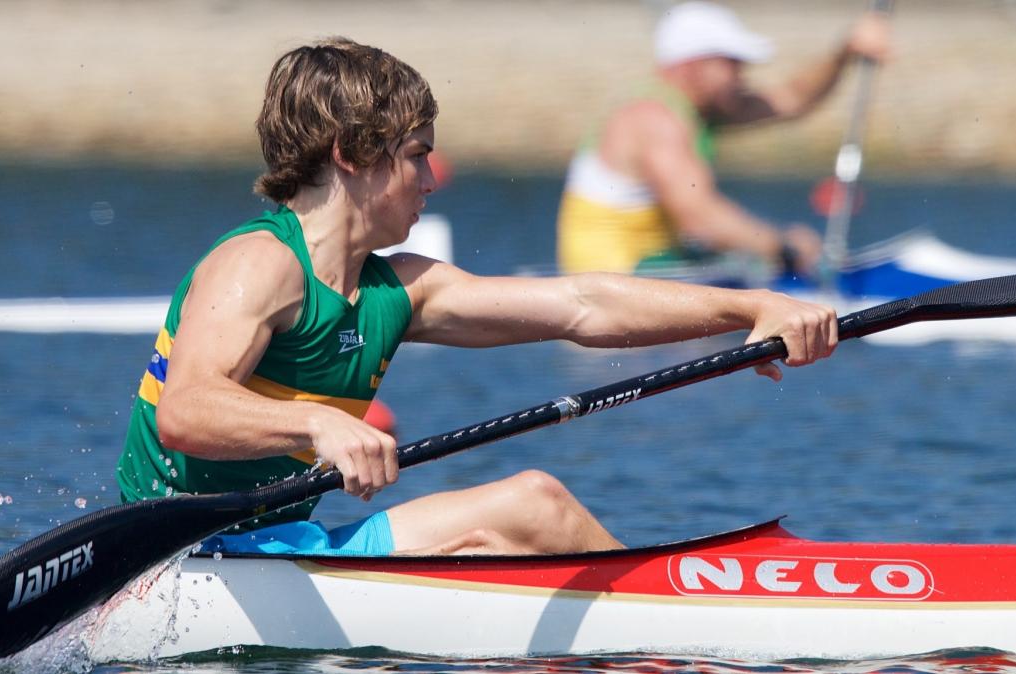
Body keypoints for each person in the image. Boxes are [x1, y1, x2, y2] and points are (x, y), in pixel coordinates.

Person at [116, 37, 838, 557]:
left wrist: (752, 309)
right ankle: (695, 641)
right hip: (177, 559)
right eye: (415, 154)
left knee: (536, 503)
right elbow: (187, 409)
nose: (430, 179)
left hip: (288, 546)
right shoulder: (260, 263)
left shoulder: (399, 287)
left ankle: (674, 632)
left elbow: (584, 307)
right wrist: (318, 428)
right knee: (533, 503)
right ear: (349, 155)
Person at [556, 1, 891, 276]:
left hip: (653, 270)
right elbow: (700, 219)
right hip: (611, 291)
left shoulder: (693, 110)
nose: (742, 75)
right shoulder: (654, 120)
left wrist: (845, 51)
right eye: (731, 64)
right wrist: (783, 245)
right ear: (691, 65)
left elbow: (792, 99)